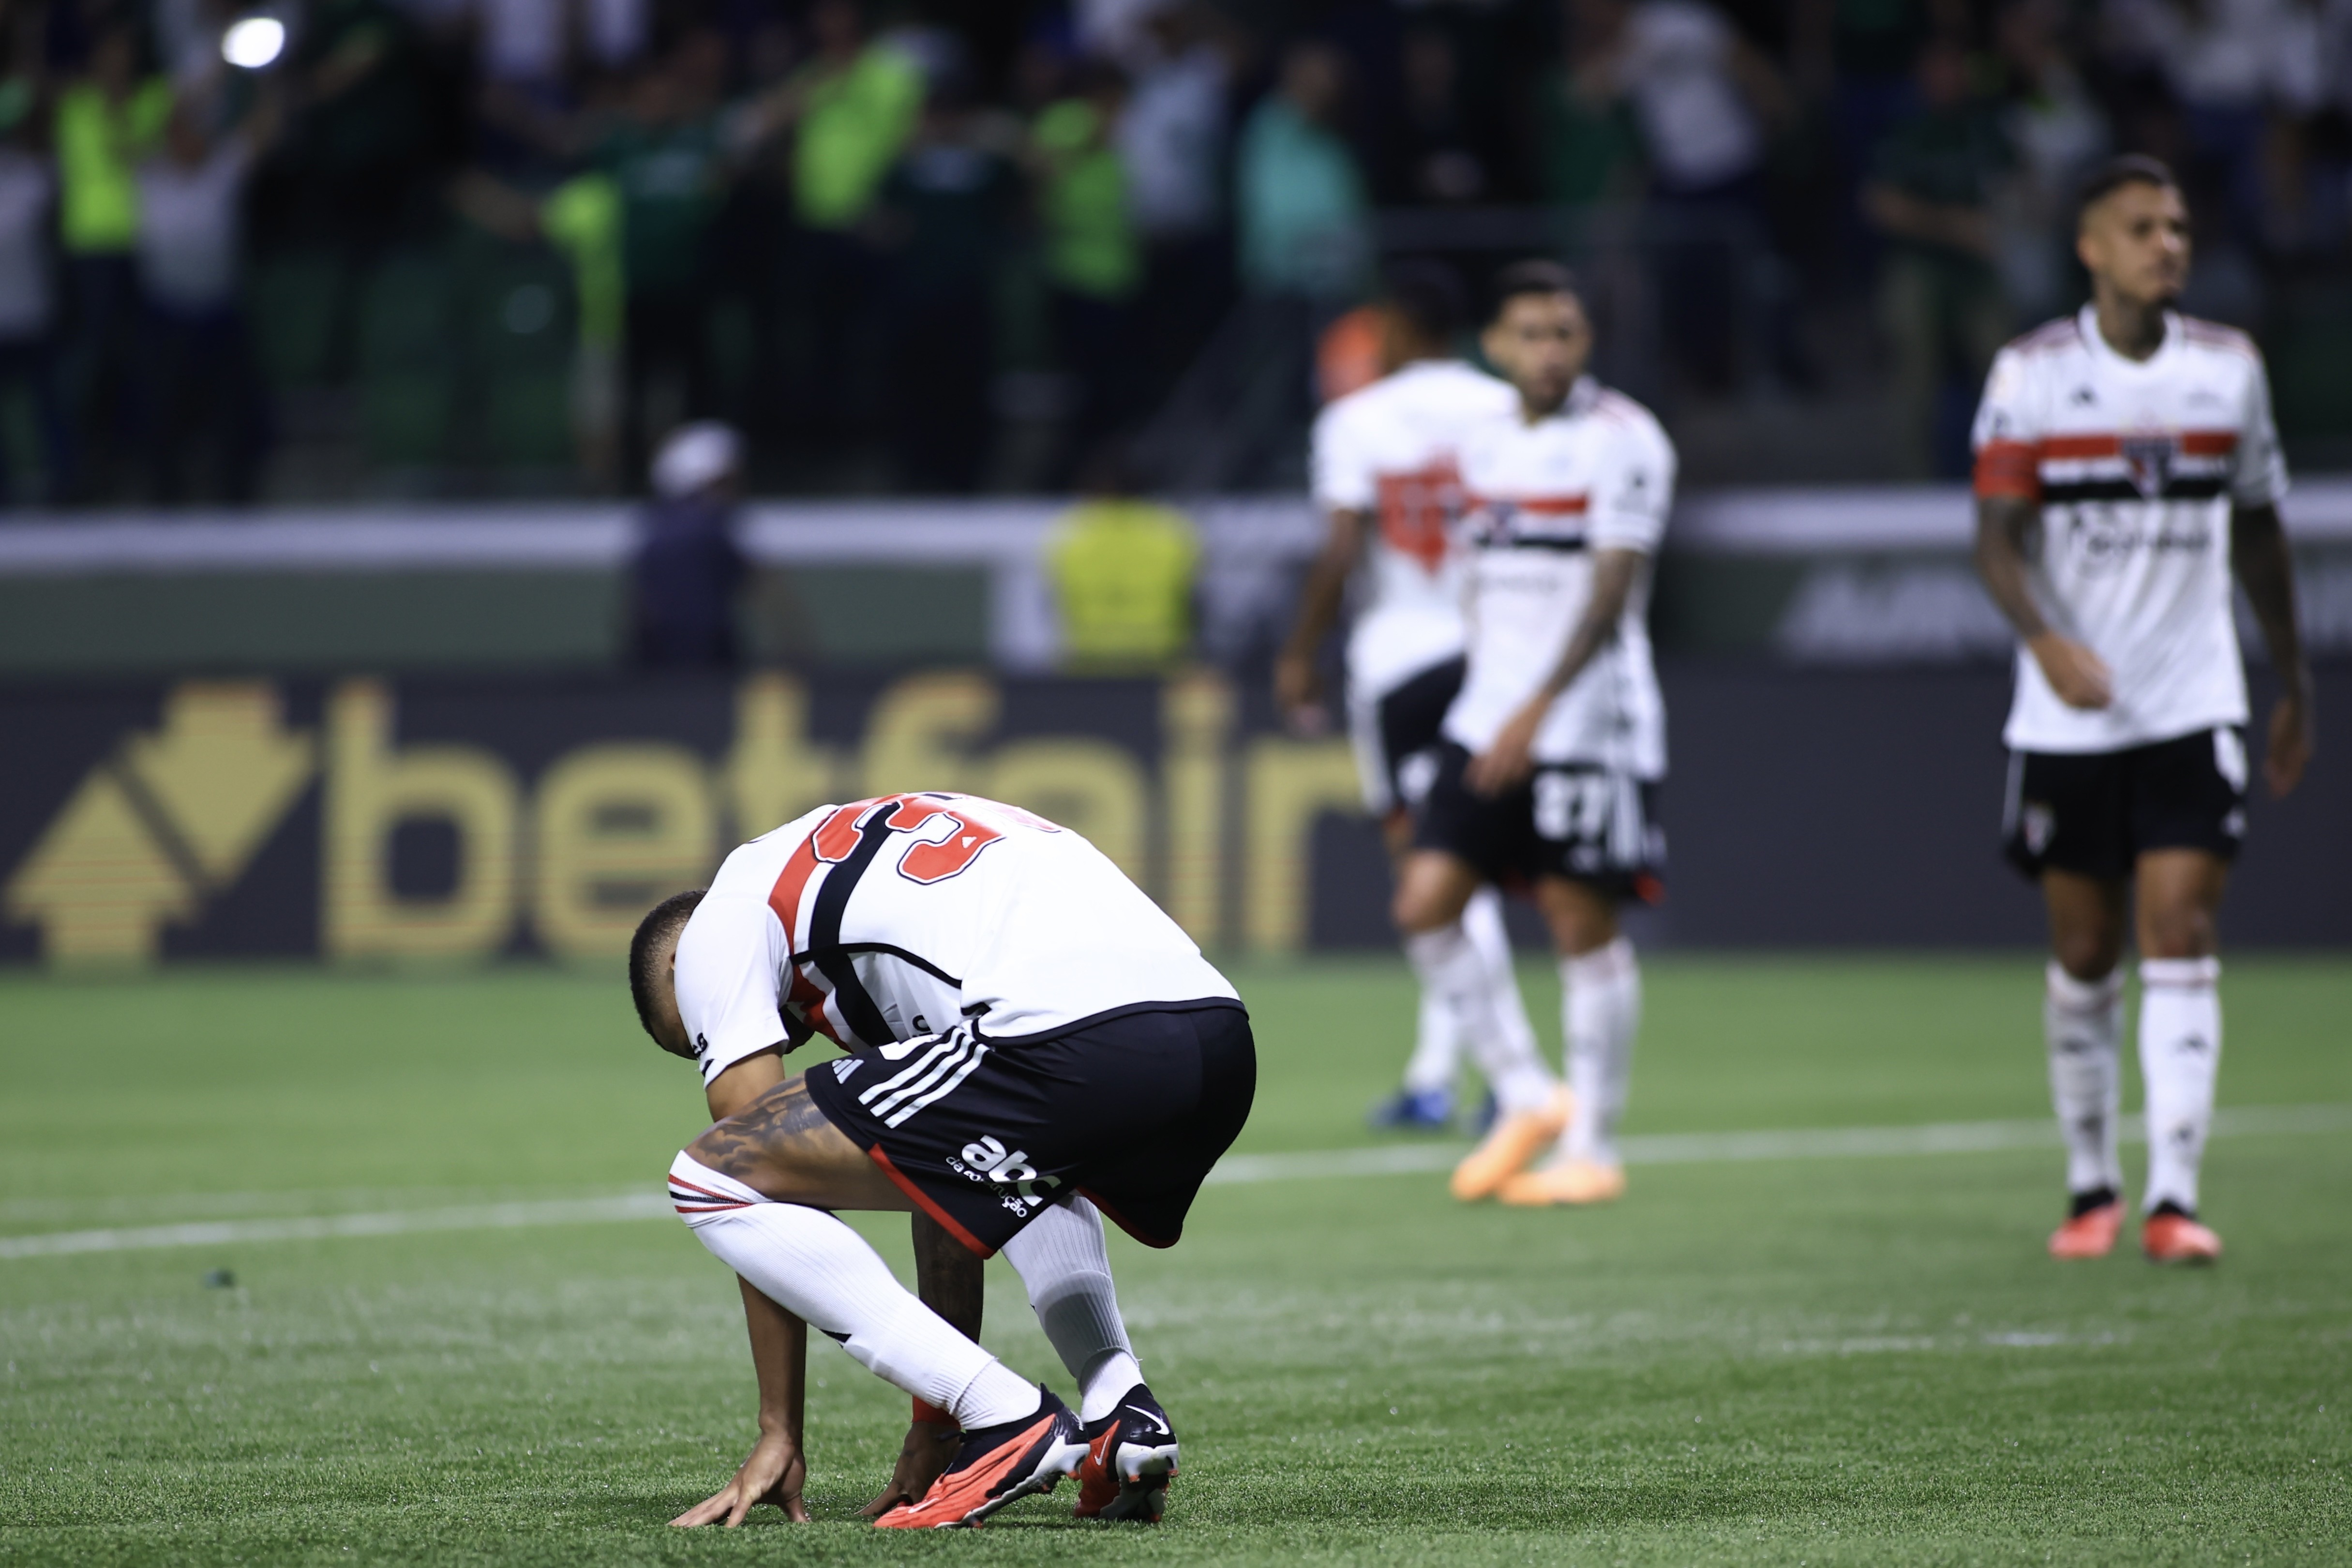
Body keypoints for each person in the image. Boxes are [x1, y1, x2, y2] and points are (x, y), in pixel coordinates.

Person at [631, 790, 1252, 1527]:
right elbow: (940, 1173)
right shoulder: (846, 876)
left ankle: (1010, 1422)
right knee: (1001, 1149)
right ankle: (1122, 1409)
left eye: (695, 1038)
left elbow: (756, 1166)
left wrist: (780, 1430)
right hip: (1216, 1039)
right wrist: (933, 1426)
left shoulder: (713, 932)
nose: (747, 1043)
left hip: (1074, 1040)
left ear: (678, 964)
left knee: (709, 1174)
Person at [1969, 154, 2312, 1266]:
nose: (2167, 242)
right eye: (2141, 226)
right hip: (2066, 718)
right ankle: (2088, 1186)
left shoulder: (2228, 372)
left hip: (2190, 702)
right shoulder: (2028, 377)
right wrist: (2047, 642)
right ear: (2091, 248)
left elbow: (2258, 528)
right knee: (2082, 950)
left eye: (2176, 224)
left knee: (2182, 931)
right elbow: (1993, 538)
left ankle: (2170, 1198)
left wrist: (2291, 678)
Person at [1393, 260, 1675, 1208]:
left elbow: (1611, 592)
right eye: (1530, 334)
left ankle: (1592, 1143)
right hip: (1489, 715)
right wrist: (1490, 693)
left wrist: (1536, 707)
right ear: (1495, 345)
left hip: (1587, 721)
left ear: (1585, 342)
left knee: (1576, 920)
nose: (1548, 351)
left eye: (1565, 333)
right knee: (1425, 903)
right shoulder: (1478, 446)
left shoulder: (1624, 441)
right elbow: (1480, 578)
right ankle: (1526, 1091)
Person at [1276, 261, 1543, 1134]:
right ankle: (1438, 1070)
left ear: (1396, 325)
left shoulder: (1359, 418)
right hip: (1498, 654)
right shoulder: (1504, 407)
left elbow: (1342, 547)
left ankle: (1507, 1076)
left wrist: (1301, 650)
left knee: (1433, 872)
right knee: (1463, 863)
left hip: (1398, 663)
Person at [630, 421, 746, 669]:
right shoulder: (706, 528)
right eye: (725, 482)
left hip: (659, 660)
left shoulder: (657, 526)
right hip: (697, 664)